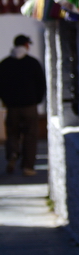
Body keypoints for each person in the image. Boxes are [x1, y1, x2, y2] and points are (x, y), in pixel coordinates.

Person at [0, 34, 46, 176]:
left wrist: (5, 100)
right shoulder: (32, 63)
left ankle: (12, 154)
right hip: (30, 106)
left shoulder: (5, 63)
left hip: (12, 106)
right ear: (26, 45)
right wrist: (37, 100)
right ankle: (28, 166)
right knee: (30, 135)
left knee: (12, 133)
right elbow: (41, 84)